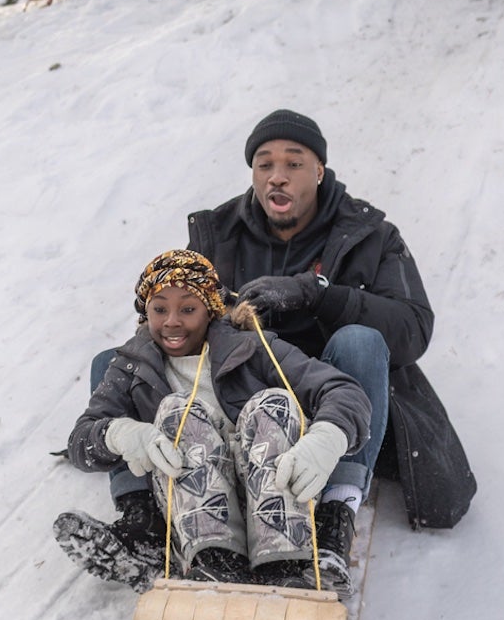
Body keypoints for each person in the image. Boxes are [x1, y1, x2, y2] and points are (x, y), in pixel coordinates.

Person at [187, 109, 476, 576]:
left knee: (361, 340)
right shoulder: (218, 234)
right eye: (265, 164)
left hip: (344, 399)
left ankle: (337, 511)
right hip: (254, 393)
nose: (277, 177)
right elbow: (179, 319)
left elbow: (412, 329)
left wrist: (317, 293)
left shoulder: (371, 235)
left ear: (319, 171)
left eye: (294, 163)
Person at [56, 249, 371, 592]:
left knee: (272, 403)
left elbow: (340, 390)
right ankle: (215, 560)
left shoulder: (252, 348)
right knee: (178, 412)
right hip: (195, 512)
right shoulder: (132, 367)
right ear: (144, 311)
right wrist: (118, 433)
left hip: (273, 494)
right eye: (159, 309)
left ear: (211, 310)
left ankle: (286, 563)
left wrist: (327, 438)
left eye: (188, 309)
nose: (172, 321)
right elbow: (80, 441)